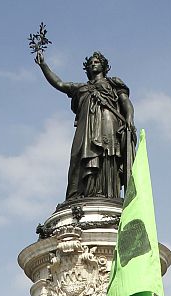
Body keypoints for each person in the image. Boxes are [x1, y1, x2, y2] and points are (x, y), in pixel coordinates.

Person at [35, 50, 136, 200]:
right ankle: (81, 193)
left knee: (107, 155)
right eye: (90, 63)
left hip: (108, 122)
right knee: (78, 155)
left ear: (104, 66)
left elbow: (125, 102)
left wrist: (129, 118)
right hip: (85, 127)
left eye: (96, 62)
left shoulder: (113, 84)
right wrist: (43, 65)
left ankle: (107, 193)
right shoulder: (81, 88)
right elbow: (60, 84)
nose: (93, 64)